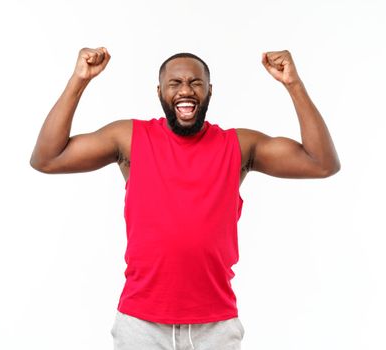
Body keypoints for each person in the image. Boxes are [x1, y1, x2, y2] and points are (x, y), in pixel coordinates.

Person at [30, 47, 340, 350]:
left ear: (209, 91)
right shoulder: (128, 138)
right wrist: (79, 80)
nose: (185, 91)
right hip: (141, 325)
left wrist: (293, 85)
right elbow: (47, 158)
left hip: (215, 327)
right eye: (175, 83)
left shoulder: (239, 145)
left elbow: (322, 163)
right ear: (159, 92)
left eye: (195, 83)